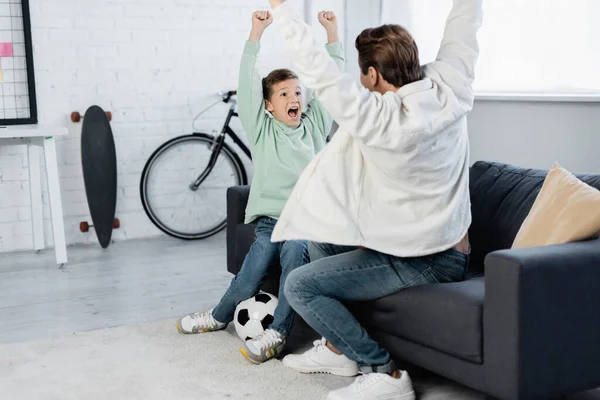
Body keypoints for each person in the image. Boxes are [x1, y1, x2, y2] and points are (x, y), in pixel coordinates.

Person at [266, 0, 482, 399]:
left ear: (371, 74)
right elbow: (465, 24)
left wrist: (280, 8)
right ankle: (338, 350)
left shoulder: (376, 117)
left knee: (299, 286)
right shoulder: (453, 84)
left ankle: (385, 373)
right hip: (443, 245)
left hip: (429, 260)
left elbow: (319, 70)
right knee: (320, 241)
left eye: (361, 72)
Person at [175, 10, 345, 365]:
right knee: (251, 271)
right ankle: (218, 315)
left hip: (305, 222)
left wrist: (332, 35)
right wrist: (256, 33)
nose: (293, 97)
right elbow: (248, 81)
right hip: (270, 220)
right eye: (283, 93)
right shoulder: (263, 130)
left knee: (294, 257)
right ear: (269, 106)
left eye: (297, 91)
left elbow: (331, 84)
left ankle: (278, 332)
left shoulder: (314, 128)